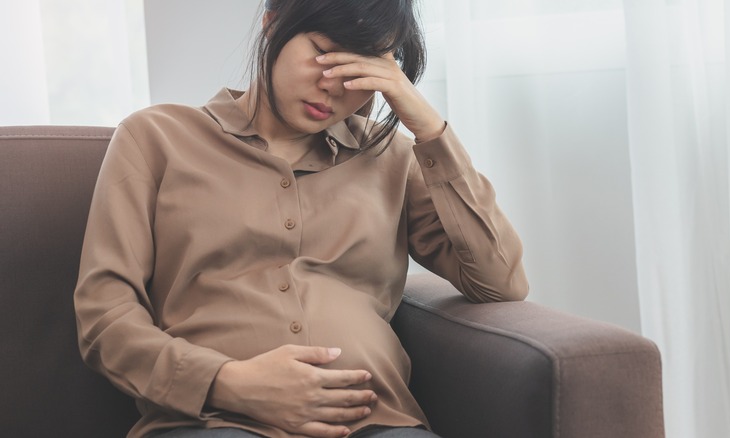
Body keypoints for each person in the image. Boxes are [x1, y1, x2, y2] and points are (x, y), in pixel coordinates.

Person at [73, 0, 529, 437]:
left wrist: (428, 127)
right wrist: (228, 383)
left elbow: (498, 281)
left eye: (362, 68)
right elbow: (105, 317)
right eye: (324, 53)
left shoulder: (393, 158)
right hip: (210, 423)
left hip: (379, 423)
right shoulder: (155, 138)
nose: (335, 85)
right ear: (273, 26)